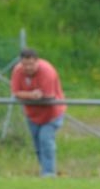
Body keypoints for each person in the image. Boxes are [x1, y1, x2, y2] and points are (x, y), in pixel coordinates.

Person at [10, 48, 66, 177]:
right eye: (25, 64)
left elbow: (47, 97)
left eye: (31, 64)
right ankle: (45, 172)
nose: (28, 68)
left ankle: (49, 174)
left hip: (52, 114)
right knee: (37, 146)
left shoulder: (47, 71)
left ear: (37, 62)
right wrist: (32, 95)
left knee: (45, 141)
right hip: (32, 115)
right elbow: (15, 93)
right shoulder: (18, 71)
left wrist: (26, 95)